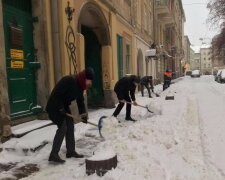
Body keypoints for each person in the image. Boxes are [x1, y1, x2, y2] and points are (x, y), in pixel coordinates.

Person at [46, 67, 95, 163]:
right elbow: (56, 94)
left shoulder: (80, 86)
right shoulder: (69, 80)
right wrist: (60, 108)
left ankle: (71, 151)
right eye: (89, 81)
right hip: (54, 107)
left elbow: (80, 101)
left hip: (64, 107)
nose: (90, 83)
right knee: (63, 127)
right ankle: (53, 154)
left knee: (70, 126)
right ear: (84, 78)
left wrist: (83, 115)